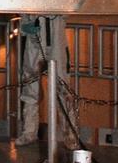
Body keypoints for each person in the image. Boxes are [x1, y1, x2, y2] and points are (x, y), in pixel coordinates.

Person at [15, 15, 77, 148]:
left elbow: (68, 11)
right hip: (35, 41)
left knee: (63, 88)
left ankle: (70, 134)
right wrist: (25, 26)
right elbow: (23, 14)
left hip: (57, 40)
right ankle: (29, 132)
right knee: (30, 88)